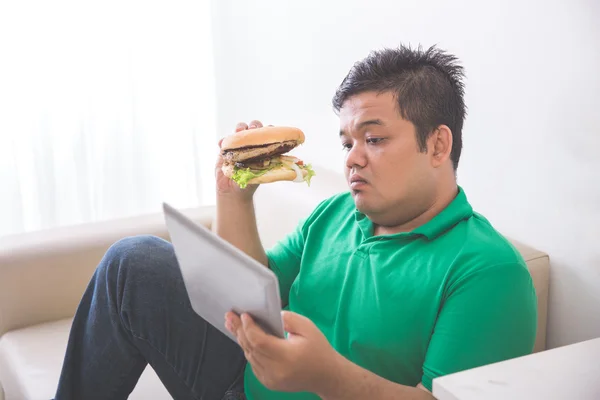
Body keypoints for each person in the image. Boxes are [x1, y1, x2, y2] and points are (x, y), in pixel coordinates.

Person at [53, 44, 537, 400]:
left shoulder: (489, 271)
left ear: (437, 144)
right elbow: (247, 292)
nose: (352, 160)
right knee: (132, 262)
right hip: (242, 383)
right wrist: (236, 197)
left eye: (374, 139)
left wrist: (327, 377)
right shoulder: (336, 214)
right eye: (347, 143)